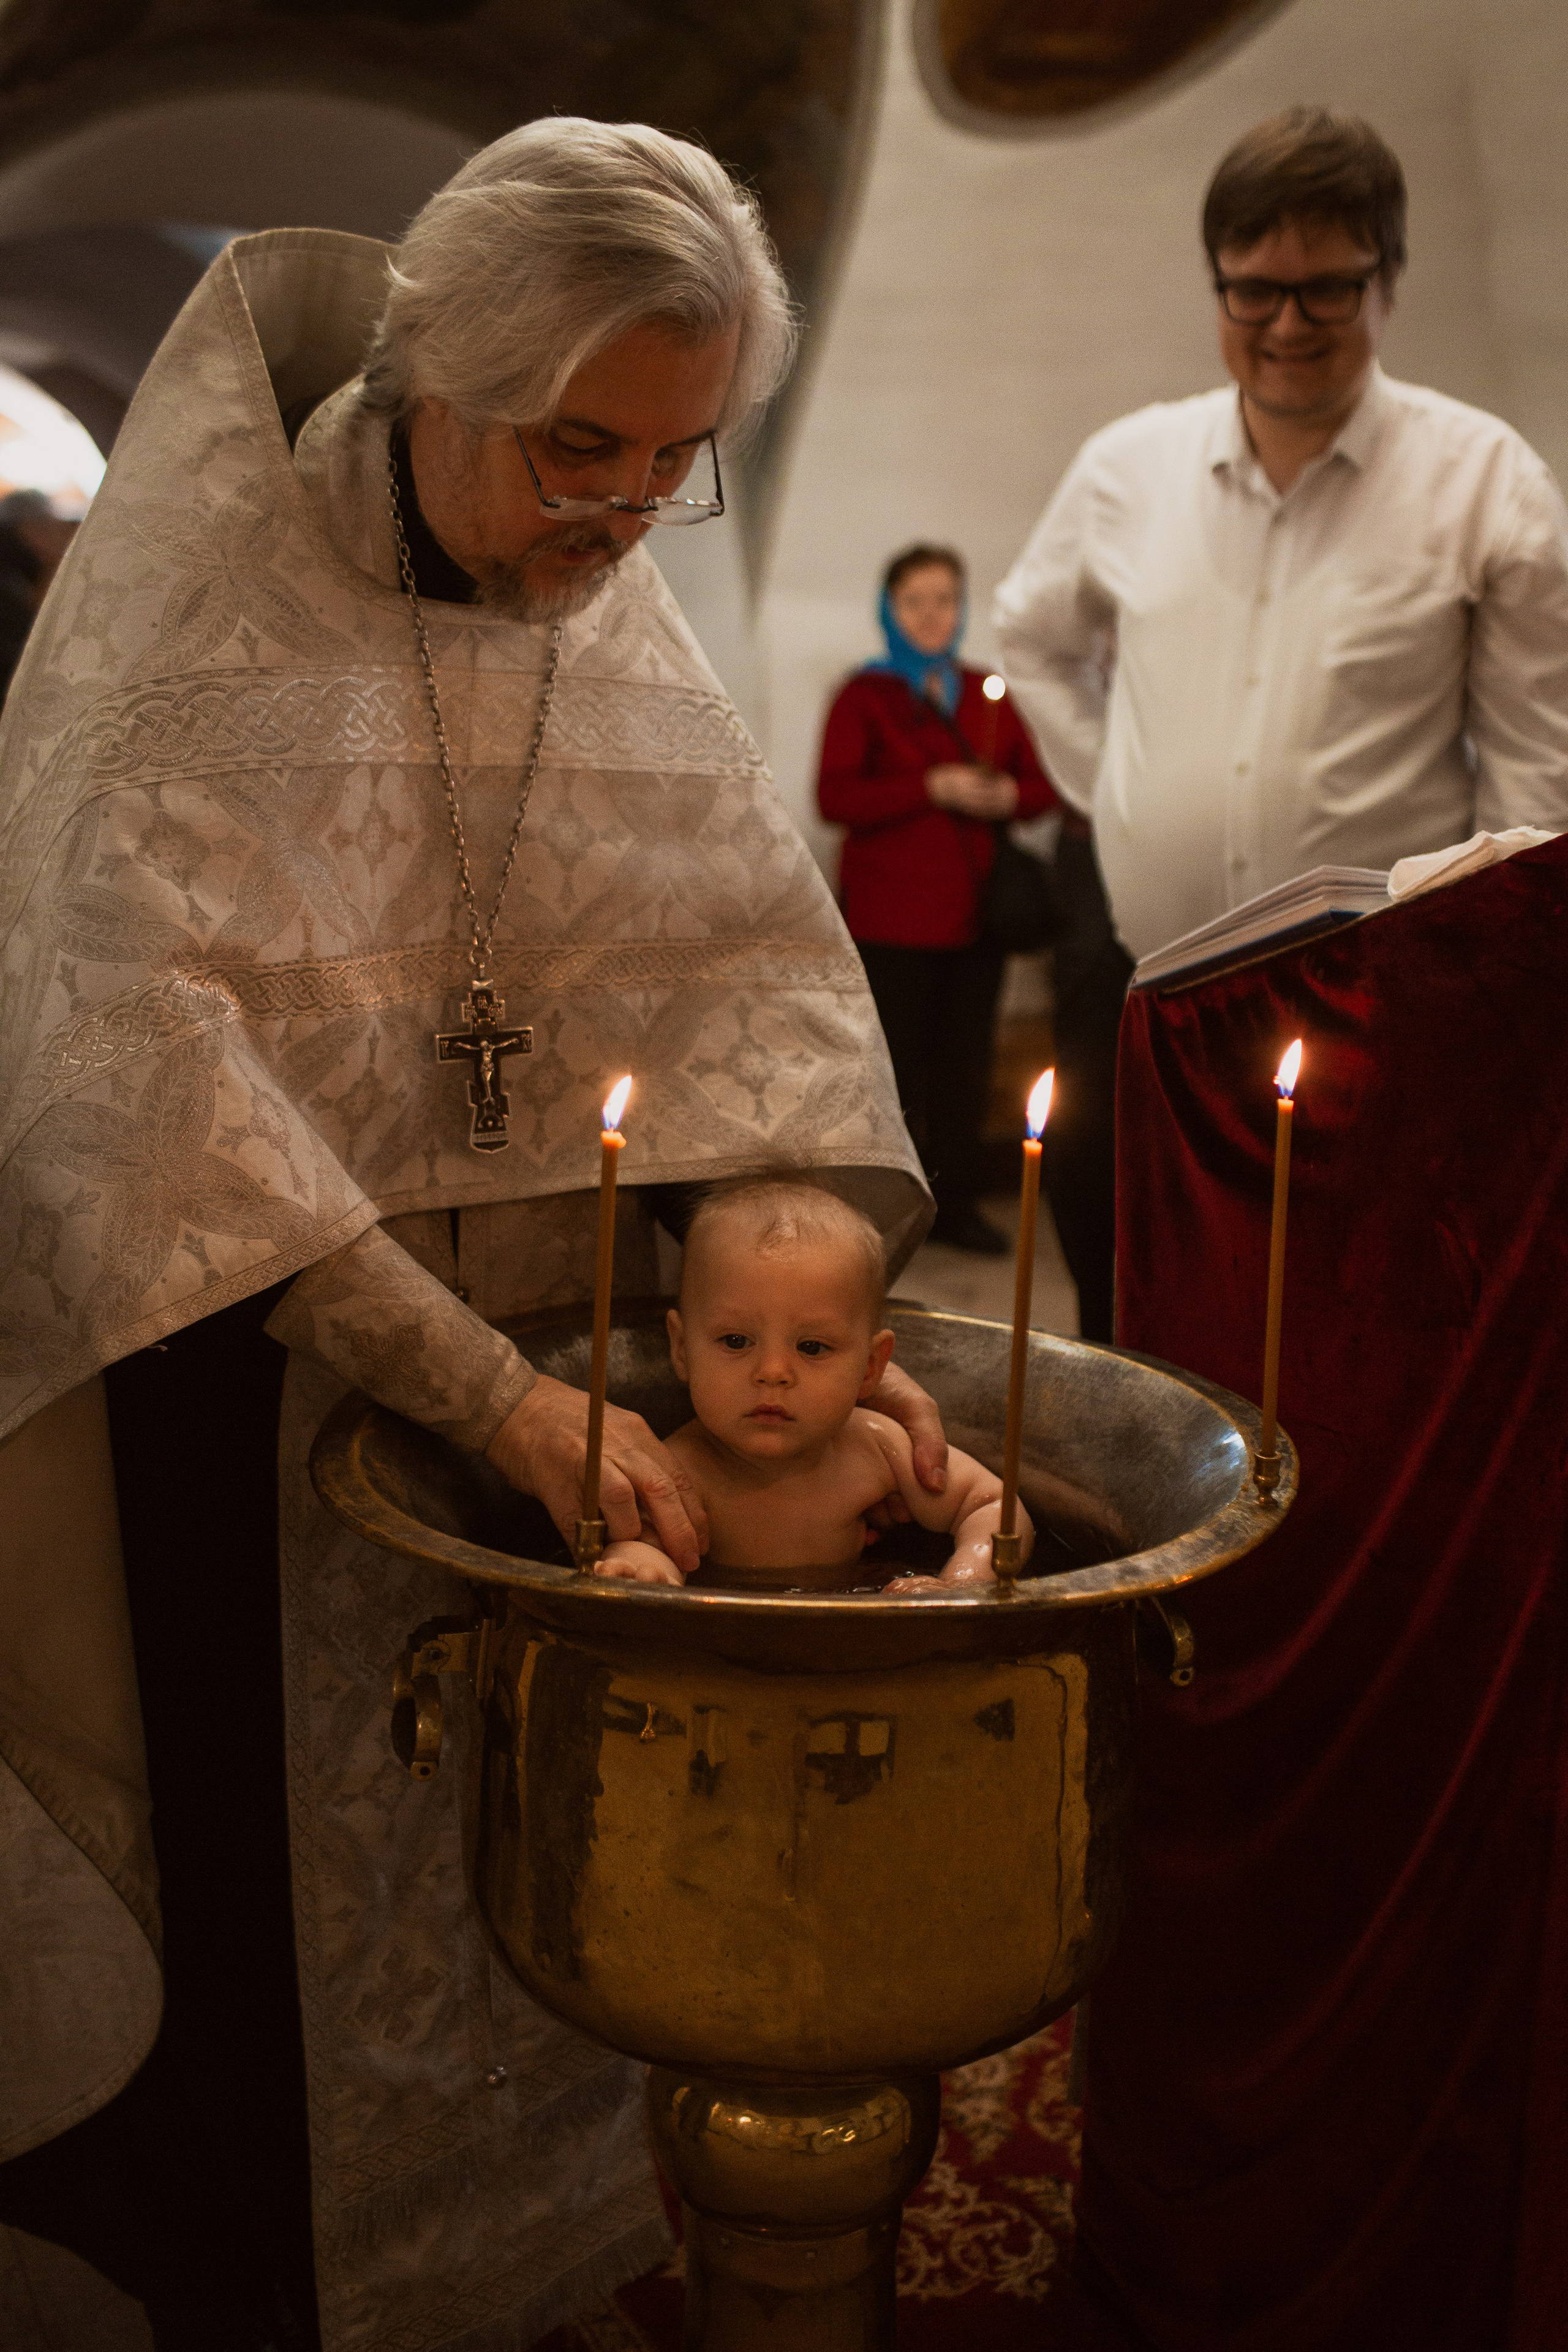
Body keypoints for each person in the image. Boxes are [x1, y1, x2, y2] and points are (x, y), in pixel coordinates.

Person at [0, 122, 953, 2352]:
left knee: (554, 1899)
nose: (620, 520)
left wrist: (806, 1287)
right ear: (438, 361)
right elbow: (134, 1100)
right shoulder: (184, 636)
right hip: (246, 1412)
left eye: (674, 461)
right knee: (283, 1998)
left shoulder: (602, 602)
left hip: (571, 1407)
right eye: (575, 451)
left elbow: (757, 980)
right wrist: (476, 1387)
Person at [994, 106, 1568, 1336]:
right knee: (1135, 1320)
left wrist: (1456, 978)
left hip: (1370, 1014)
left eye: (1325, 291)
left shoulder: (1484, 482)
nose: (1286, 328)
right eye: (1252, 293)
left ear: (1386, 279)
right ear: (1216, 285)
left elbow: (1533, 789)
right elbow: (1030, 638)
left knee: (1345, 1332)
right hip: (1147, 994)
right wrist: (1118, 789)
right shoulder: (1126, 469)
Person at [597, 1176, 1030, 1590]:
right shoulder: (681, 1471)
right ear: (682, 1350)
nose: (773, 1371)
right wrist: (645, 1574)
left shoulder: (875, 1448)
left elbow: (993, 1505)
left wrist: (961, 1583)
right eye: (736, 1340)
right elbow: (643, 1546)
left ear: (870, 1368)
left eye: (812, 1347)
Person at [817, 543, 1056, 1256]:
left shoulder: (986, 692)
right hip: (891, 921)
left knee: (964, 1068)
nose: (931, 614)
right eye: (915, 600)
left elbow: (1042, 787)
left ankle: (953, 1206)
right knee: (893, 1072)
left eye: (944, 599)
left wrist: (1008, 796)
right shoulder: (865, 696)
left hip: (973, 922)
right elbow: (835, 797)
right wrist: (932, 788)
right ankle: (890, 1215)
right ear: (889, 609)